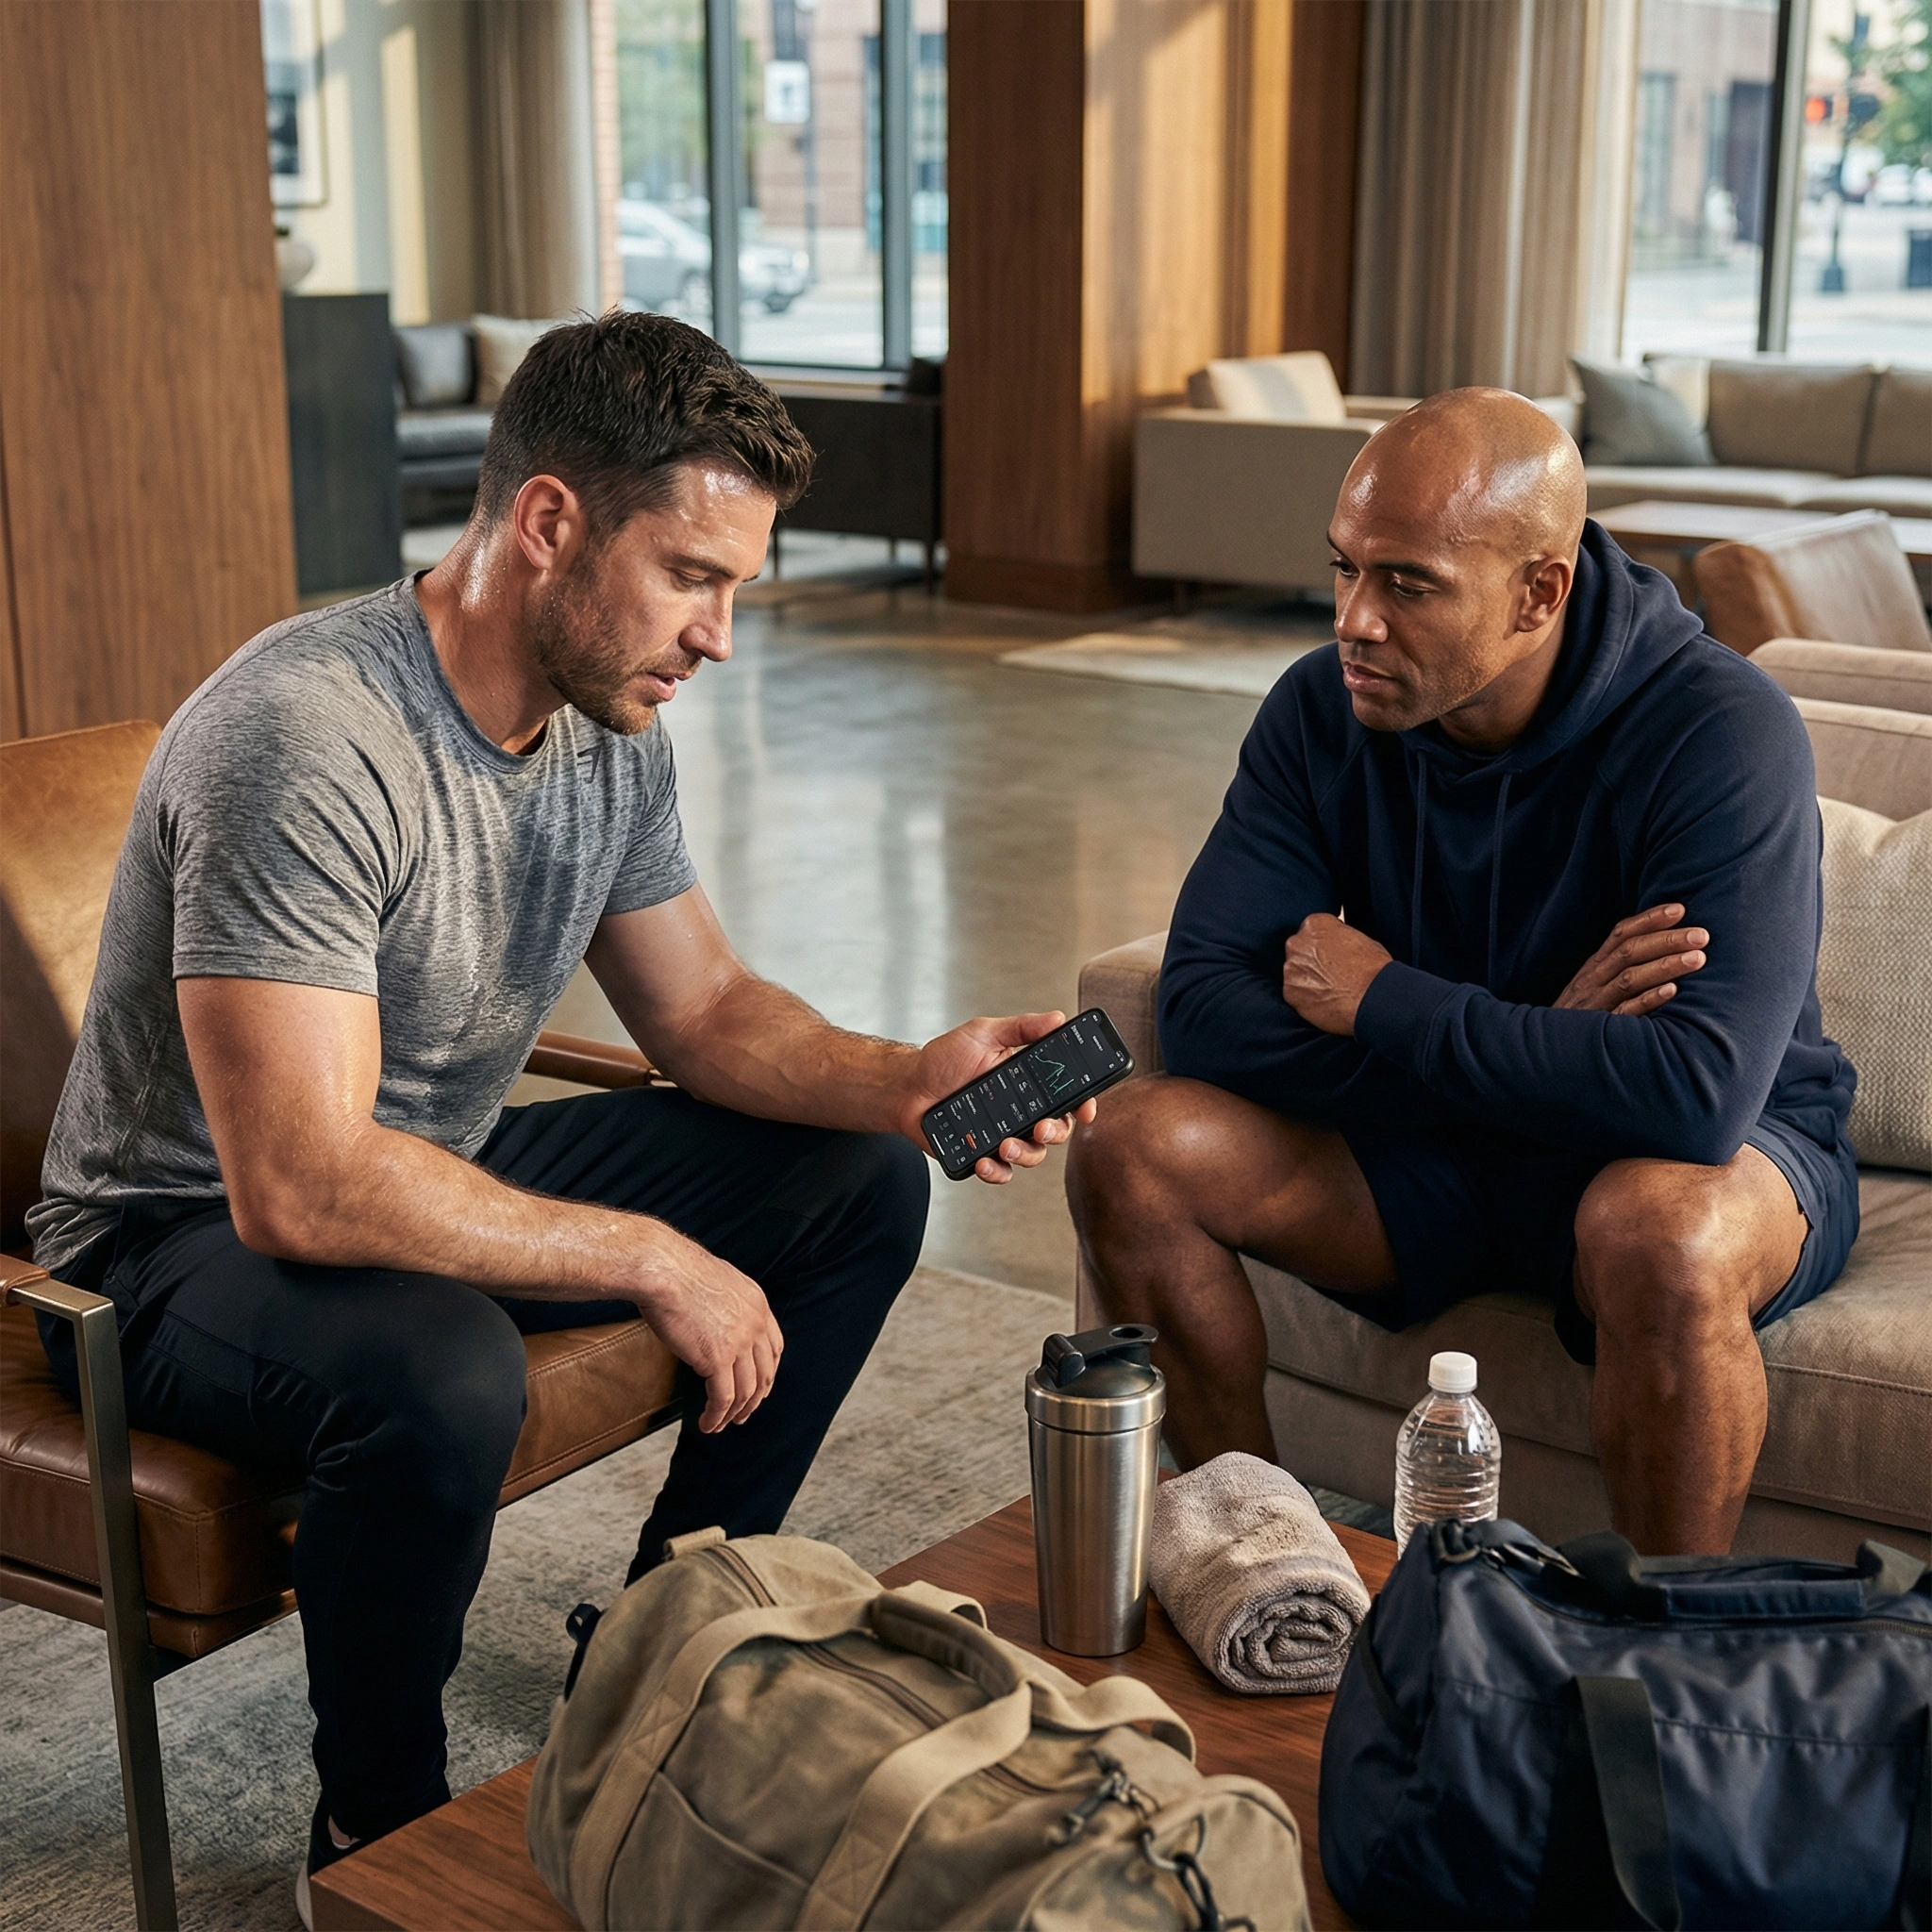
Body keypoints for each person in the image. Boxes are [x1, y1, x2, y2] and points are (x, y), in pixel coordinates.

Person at [26, 313, 1094, 1893]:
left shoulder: (605, 727)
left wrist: (902, 1076)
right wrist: (652, 1254)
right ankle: (374, 1832)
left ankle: (664, 1648)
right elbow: (302, 1187)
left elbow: (710, 1011)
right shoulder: (306, 734)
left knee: (858, 1180)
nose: (720, 634)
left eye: (734, 584)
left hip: (421, 1163)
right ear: (548, 523)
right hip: (167, 1244)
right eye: (693, 574)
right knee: (441, 1370)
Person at [1066, 387, 1857, 1561]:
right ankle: (1269, 1563)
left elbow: (1693, 1096)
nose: (1353, 620)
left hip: (1701, 1158)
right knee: (1131, 1143)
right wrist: (1529, 1044)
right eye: (1342, 570)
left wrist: (1388, 1000)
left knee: (1661, 1229)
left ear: (1538, 591)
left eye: (1407, 583)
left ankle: (1655, 1647)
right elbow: (1200, 1007)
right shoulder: (1320, 710)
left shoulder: (1718, 728)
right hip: (1443, 1150)